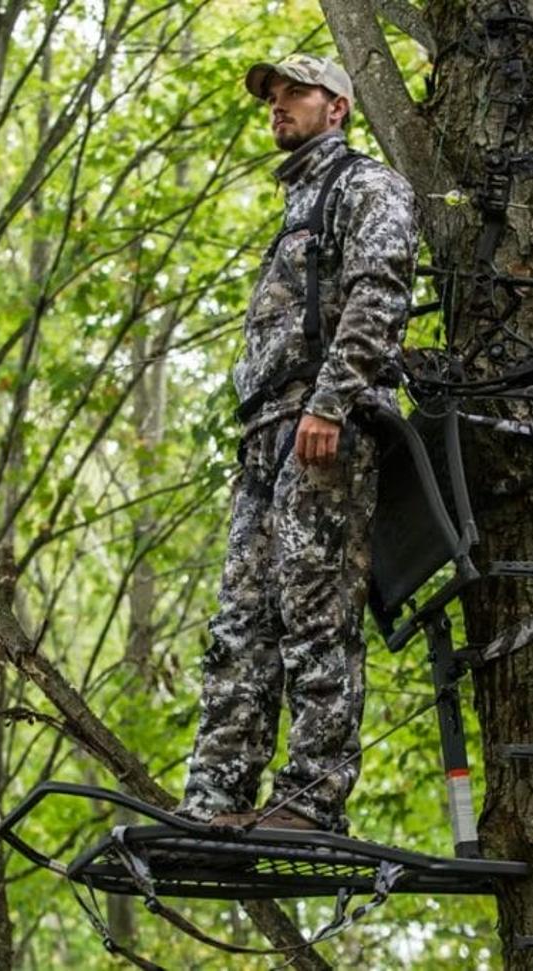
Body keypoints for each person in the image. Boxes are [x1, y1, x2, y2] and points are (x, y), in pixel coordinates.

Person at [175, 53, 417, 835]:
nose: (278, 106)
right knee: (240, 623)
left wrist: (332, 403)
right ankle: (216, 799)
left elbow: (379, 295)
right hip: (266, 436)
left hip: (323, 431)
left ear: (338, 106)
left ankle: (312, 801)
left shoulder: (366, 187)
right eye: (271, 97)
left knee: (316, 613)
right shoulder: (298, 205)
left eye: (294, 93)